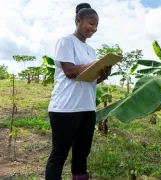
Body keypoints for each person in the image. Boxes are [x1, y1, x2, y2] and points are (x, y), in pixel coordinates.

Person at [45, 3, 111, 180]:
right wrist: (97, 63)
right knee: (59, 155)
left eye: (96, 25)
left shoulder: (90, 50)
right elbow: (70, 71)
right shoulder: (66, 41)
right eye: (91, 23)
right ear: (78, 21)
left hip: (87, 108)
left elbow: (89, 78)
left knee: (82, 156)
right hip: (65, 109)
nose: (94, 28)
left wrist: (102, 74)